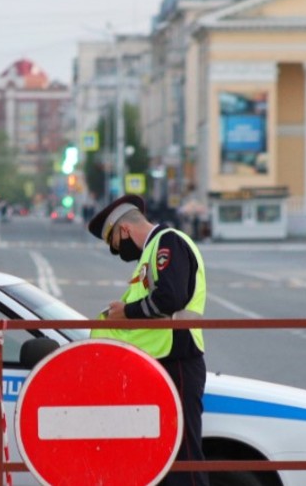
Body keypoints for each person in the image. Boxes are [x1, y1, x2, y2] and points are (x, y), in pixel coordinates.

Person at [87, 194, 209, 486]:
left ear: (125, 230)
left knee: (184, 457)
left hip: (178, 358)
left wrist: (125, 312)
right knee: (164, 456)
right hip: (160, 363)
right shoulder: (150, 254)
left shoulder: (168, 243)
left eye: (115, 244)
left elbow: (171, 297)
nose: (118, 252)